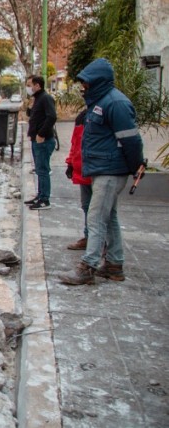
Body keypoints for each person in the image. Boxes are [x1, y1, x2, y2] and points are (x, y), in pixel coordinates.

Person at [60, 58, 144, 285]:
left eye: (86, 82)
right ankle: (114, 265)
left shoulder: (115, 103)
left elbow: (131, 140)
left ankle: (88, 266)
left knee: (96, 218)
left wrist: (136, 166)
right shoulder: (100, 102)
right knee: (109, 217)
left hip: (110, 171)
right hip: (100, 168)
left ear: (97, 81)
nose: (83, 87)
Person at [23, 75, 57, 210]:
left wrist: (41, 134)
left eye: (29, 85)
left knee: (42, 170)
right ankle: (40, 195)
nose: (28, 88)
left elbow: (52, 117)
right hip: (36, 140)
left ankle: (45, 200)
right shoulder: (37, 99)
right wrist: (30, 105)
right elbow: (31, 115)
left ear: (37, 85)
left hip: (43, 140)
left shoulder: (46, 98)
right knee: (39, 169)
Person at [65, 109, 92, 250]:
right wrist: (70, 163)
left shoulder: (100, 116)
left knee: (101, 211)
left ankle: (101, 243)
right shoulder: (82, 117)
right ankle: (89, 238)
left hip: (97, 172)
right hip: (83, 171)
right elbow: (75, 144)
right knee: (87, 206)